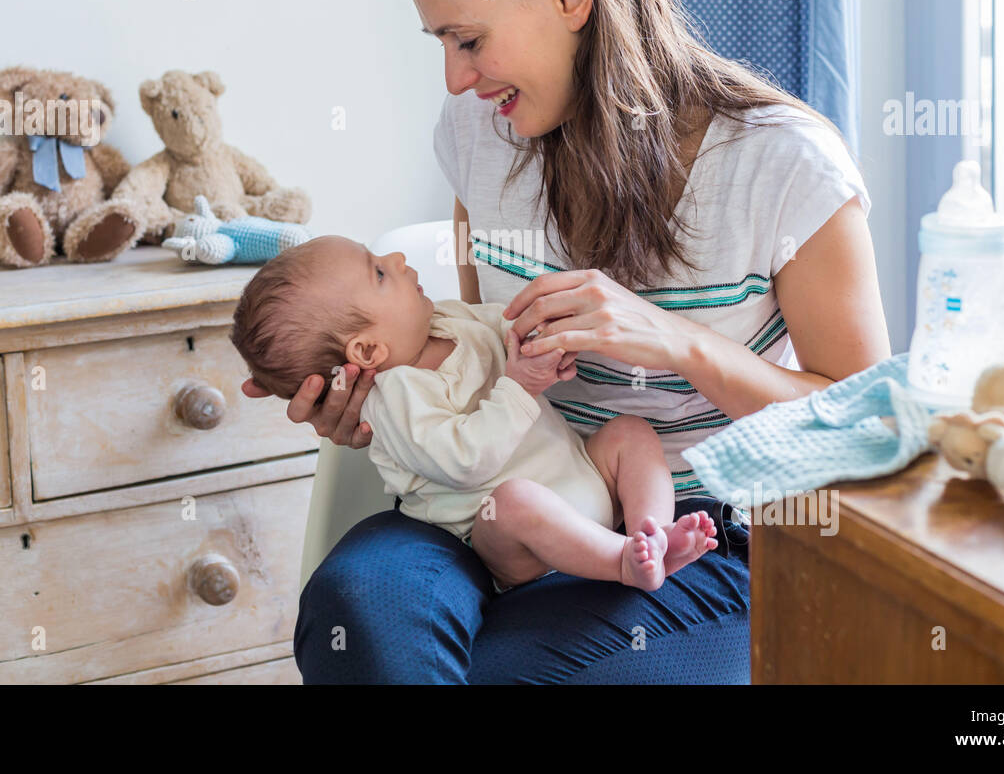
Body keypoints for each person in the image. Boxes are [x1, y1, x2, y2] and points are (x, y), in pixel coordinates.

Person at [243, 0, 891, 683]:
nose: (455, 76)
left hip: (703, 527)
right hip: (504, 498)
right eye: (441, 42)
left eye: (468, 38)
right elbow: (477, 361)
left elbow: (869, 429)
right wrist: (366, 403)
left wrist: (677, 341)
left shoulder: (784, 165)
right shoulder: (480, 138)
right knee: (359, 609)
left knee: (516, 672)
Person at [228, 235, 719, 595]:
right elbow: (464, 462)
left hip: (582, 477)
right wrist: (522, 384)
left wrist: (539, 348)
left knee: (630, 434)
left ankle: (650, 534)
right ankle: (621, 564)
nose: (399, 259)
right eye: (379, 272)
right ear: (368, 349)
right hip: (510, 535)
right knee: (514, 500)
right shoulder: (396, 396)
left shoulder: (446, 319)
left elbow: (504, 329)